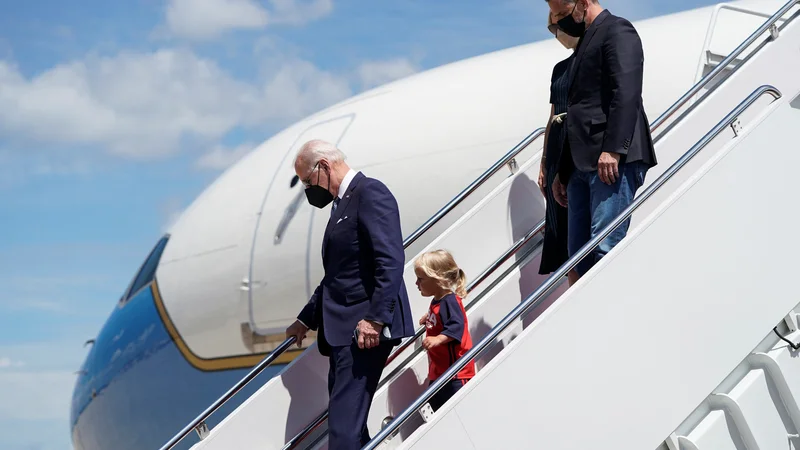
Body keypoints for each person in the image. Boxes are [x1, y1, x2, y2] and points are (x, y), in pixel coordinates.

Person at [285, 139, 415, 450]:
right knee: (350, 430)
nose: (307, 189)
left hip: (364, 332)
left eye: (306, 180)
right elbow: (338, 275)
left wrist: (375, 319)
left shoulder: (370, 193)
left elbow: (391, 259)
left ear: (324, 166)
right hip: (344, 334)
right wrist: (306, 318)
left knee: (343, 433)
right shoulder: (341, 205)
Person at [546, 0, 657, 278]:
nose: (559, 22)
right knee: (578, 260)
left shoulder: (618, 30)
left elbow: (627, 92)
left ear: (583, 3)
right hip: (580, 166)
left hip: (610, 162)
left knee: (605, 249)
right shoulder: (584, 42)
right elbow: (577, 110)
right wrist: (563, 170)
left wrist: (614, 150)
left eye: (562, 14)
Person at [537, 13, 580, 286]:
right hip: (556, 148)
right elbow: (552, 115)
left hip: (575, 144)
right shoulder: (559, 69)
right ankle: (571, 282)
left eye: (557, 26)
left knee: (577, 221)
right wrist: (543, 161)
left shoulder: (589, 60)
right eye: (552, 28)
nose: (556, 33)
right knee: (559, 224)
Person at [414, 250, 475, 412]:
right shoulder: (438, 301)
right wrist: (429, 317)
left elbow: (457, 325)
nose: (416, 283)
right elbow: (441, 315)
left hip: (456, 374)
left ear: (438, 279)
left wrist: (438, 339)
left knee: (458, 413)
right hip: (440, 373)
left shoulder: (451, 301)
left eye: (420, 279)